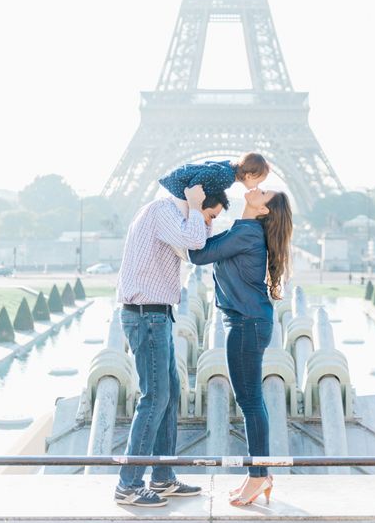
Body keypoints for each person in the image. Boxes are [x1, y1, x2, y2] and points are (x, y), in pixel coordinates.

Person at [114, 185, 229, 508]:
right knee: (155, 398)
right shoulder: (163, 212)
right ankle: (128, 484)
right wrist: (195, 208)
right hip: (146, 315)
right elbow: (196, 244)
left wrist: (197, 213)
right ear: (197, 202)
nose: (209, 224)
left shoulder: (170, 217)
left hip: (158, 315)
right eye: (211, 215)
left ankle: (162, 476)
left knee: (170, 395)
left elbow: (198, 244)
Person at [189, 187, 293, 507]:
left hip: (246, 325)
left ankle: (259, 474)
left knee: (249, 403)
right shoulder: (243, 230)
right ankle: (259, 474)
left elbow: (199, 254)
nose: (257, 188)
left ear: (263, 211)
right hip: (248, 323)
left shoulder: (246, 233)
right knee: (252, 402)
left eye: (264, 193)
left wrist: (196, 209)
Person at [159, 153, 269, 216]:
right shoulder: (228, 177)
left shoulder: (228, 168)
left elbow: (210, 167)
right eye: (258, 182)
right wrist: (193, 189)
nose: (257, 186)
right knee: (186, 217)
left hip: (181, 176)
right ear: (248, 176)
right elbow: (207, 172)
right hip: (181, 183)